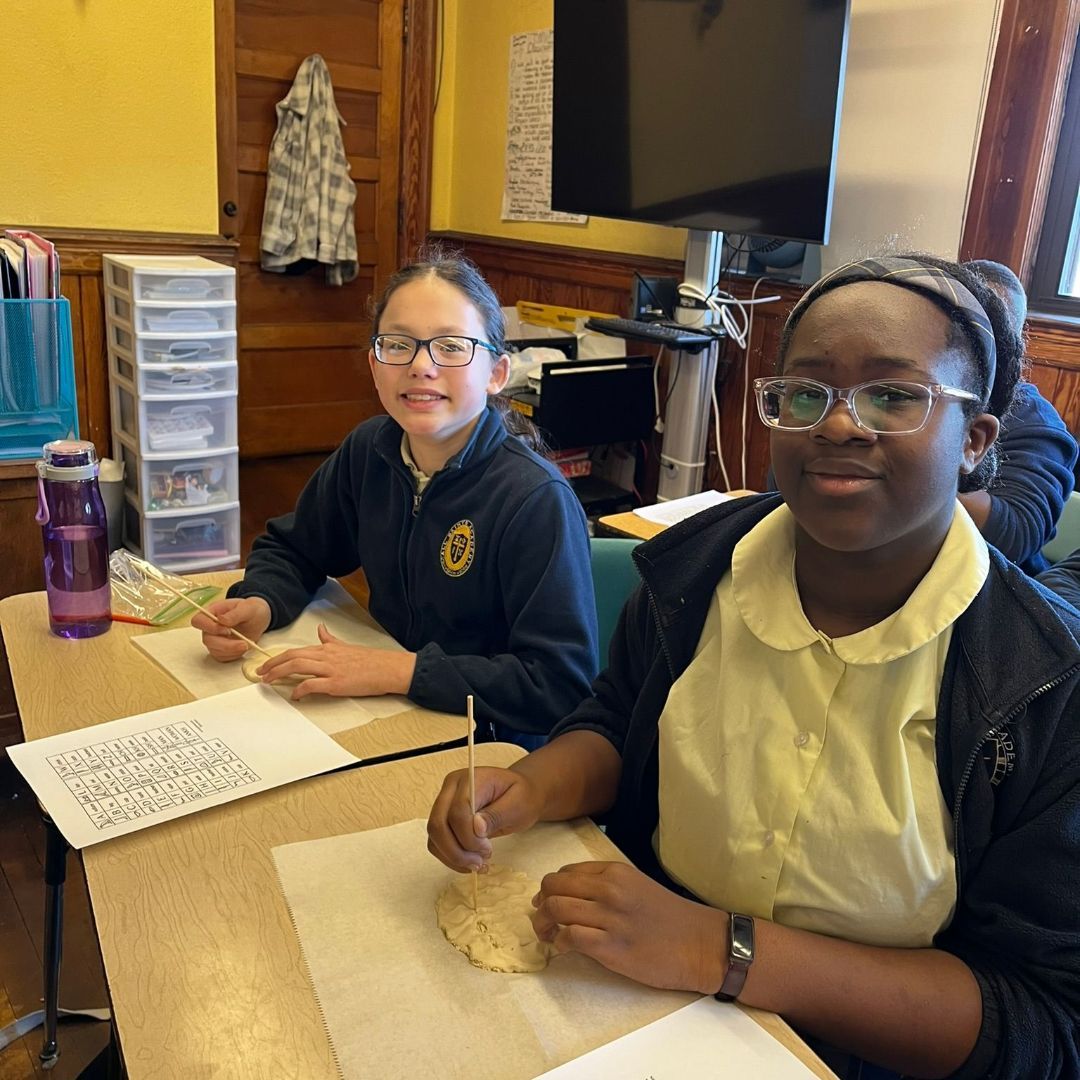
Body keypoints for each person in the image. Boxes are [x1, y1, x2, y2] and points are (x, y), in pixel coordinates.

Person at [427, 255, 1080, 1078]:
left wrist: (723, 951)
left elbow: (1045, 1021)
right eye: (805, 394)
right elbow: (619, 720)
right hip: (631, 999)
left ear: (975, 441)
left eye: (893, 395)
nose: (838, 426)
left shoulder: (1045, 684)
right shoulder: (694, 572)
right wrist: (536, 781)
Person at [193, 249, 598, 746]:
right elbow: (296, 548)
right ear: (374, 364)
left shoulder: (535, 499)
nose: (421, 366)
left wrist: (400, 671)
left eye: (451, 346)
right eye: (398, 345)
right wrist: (262, 601)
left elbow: (557, 685)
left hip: (487, 745)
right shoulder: (371, 449)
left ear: (496, 373)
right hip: (382, 710)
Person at [958, 259, 1076, 573]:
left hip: (996, 589)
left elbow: (1015, 529)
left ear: (1015, 341)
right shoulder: (915, 390)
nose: (974, 345)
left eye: (991, 331)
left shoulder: (1036, 421)